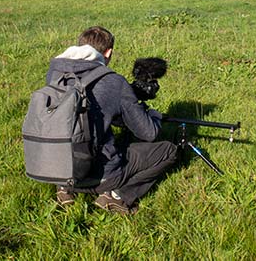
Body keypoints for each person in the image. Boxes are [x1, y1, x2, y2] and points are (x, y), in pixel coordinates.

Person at [47, 26, 177, 214]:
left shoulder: (56, 73)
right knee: (168, 151)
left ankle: (64, 189)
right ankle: (116, 197)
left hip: (54, 168)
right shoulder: (114, 82)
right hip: (98, 177)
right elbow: (148, 133)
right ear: (108, 52)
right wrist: (153, 114)